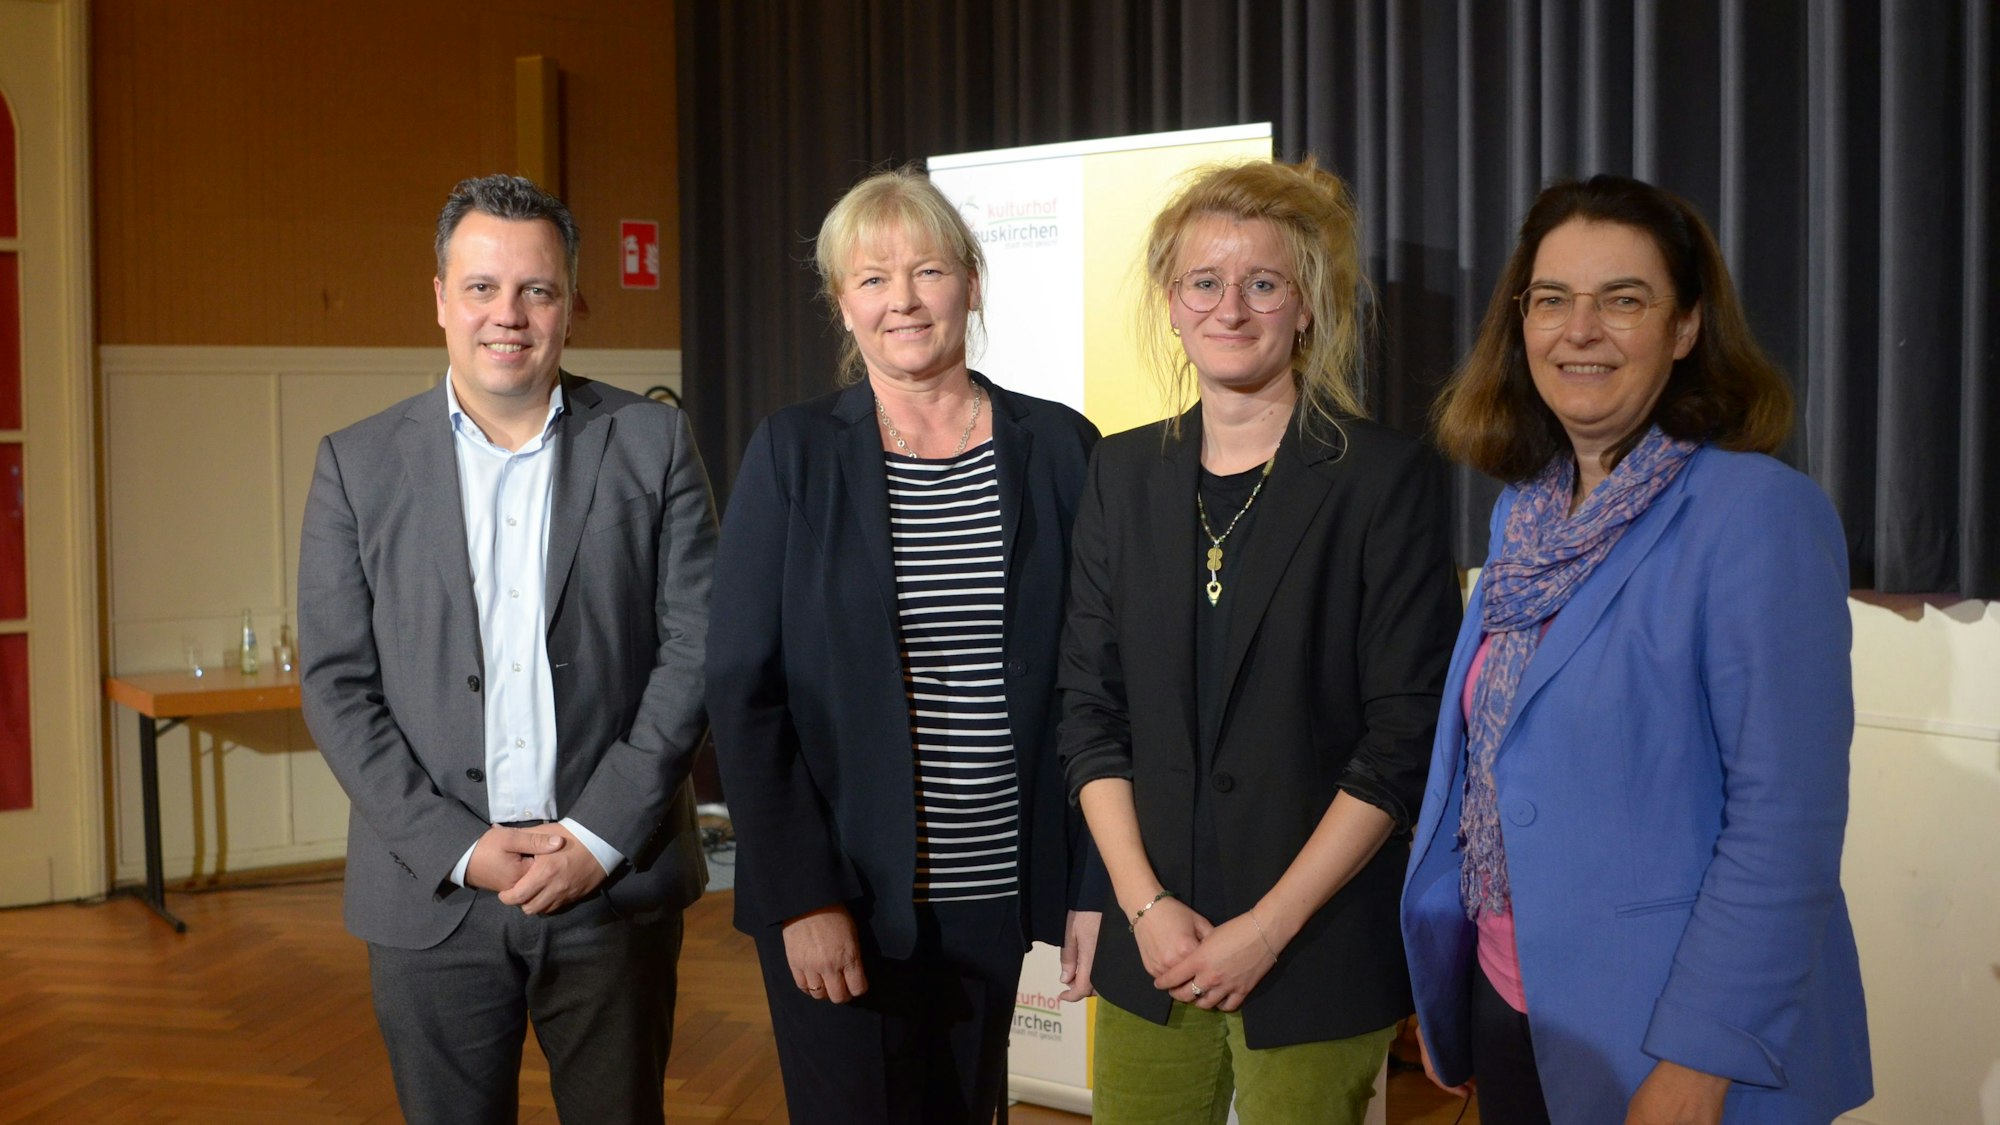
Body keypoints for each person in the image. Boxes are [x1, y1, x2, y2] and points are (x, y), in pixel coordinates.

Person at [1402, 173, 1873, 1123]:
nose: (1581, 330)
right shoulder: (1524, 517)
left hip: (1669, 1035)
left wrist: (1697, 1060)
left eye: (1624, 300)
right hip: (1518, 1006)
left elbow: (1784, 828)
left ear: (1687, 327)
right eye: (1552, 300)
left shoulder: (1755, 516)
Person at [298, 174, 717, 1124]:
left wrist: (598, 836)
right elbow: (335, 684)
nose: (509, 315)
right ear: (440, 297)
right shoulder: (356, 465)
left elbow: (695, 648)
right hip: (429, 896)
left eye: (537, 288)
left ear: (571, 304)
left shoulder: (651, 441)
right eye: (482, 287)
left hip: (612, 885)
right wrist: (460, 846)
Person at [1058, 158, 1461, 1124]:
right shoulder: (1119, 473)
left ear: (1308, 304)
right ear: (1172, 302)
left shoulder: (1383, 477)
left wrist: (1266, 931)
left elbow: (1404, 738)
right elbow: (1088, 711)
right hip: (1150, 948)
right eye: (1205, 281)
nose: (1230, 307)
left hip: (1312, 947)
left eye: (1264, 282)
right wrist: (1144, 906)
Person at [704, 166, 1105, 1124]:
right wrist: (802, 895)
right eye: (873, 279)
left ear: (969, 280)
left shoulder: (1059, 448)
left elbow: (1098, 683)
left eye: (926, 271)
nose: (903, 300)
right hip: (843, 894)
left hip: (998, 891)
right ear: (842, 304)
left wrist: (1094, 885)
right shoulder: (793, 453)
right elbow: (741, 688)